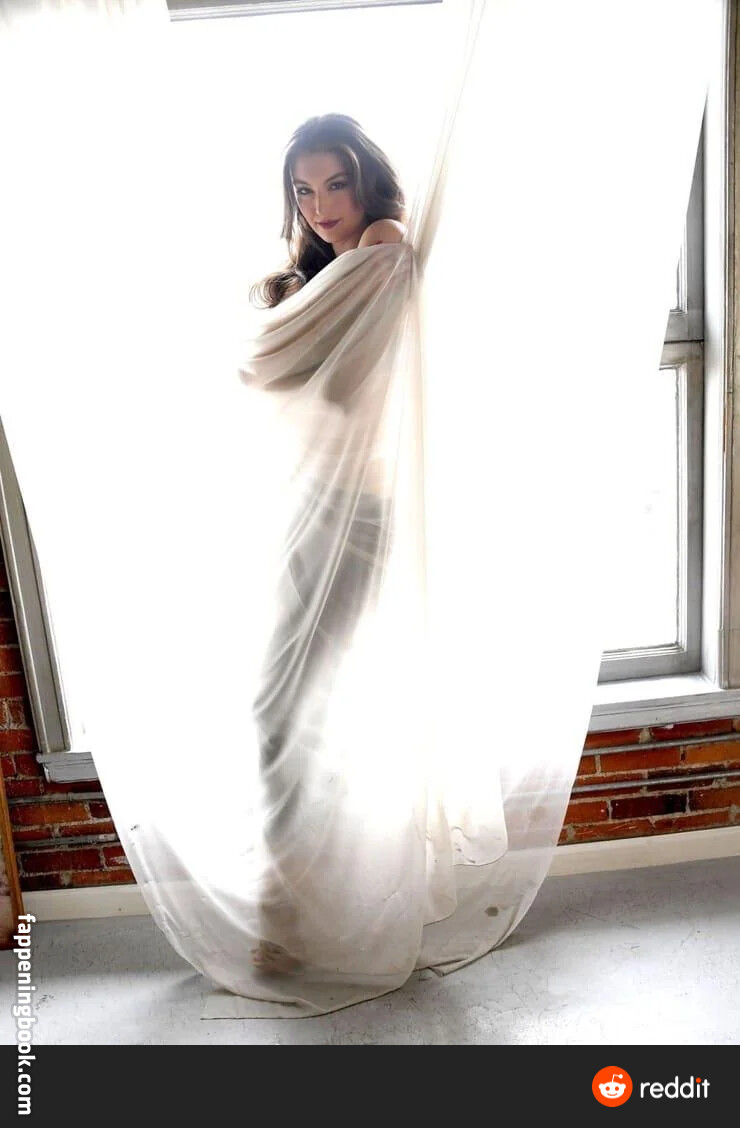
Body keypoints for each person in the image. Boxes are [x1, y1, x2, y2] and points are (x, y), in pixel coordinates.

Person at [244, 115, 411, 975]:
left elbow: (328, 387)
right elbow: (260, 373)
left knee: (288, 711)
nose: (321, 207)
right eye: (304, 191)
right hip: (302, 510)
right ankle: (306, 904)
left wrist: (287, 355)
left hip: (358, 515)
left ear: (365, 180)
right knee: (297, 713)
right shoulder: (305, 280)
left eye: (336, 184)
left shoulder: (382, 245)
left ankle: (294, 915)